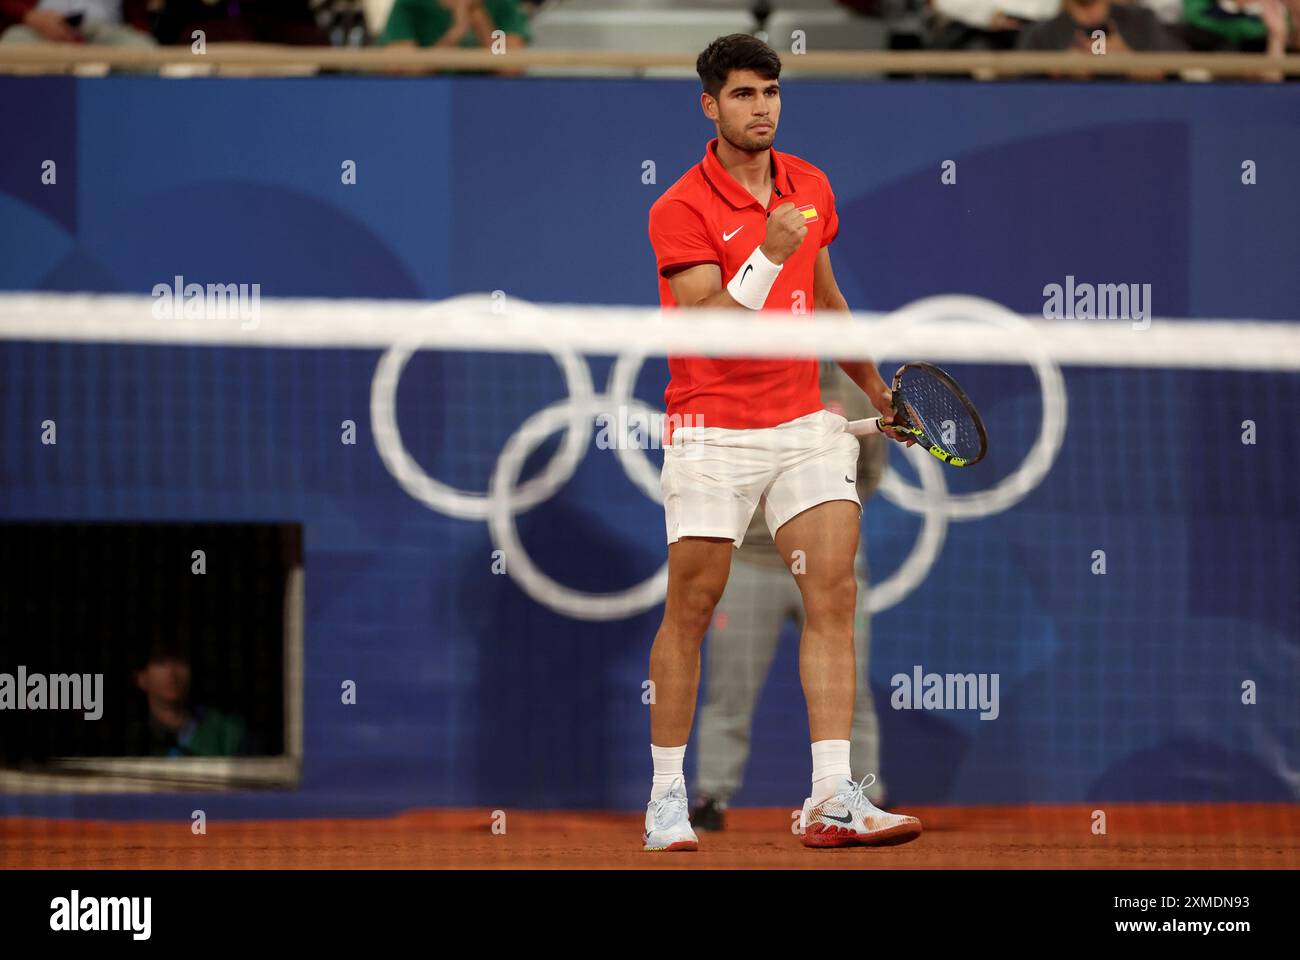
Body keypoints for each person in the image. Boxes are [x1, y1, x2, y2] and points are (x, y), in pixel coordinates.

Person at [642, 33, 922, 852]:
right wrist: (766, 254)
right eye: (741, 95)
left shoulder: (810, 185)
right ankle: (667, 796)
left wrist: (874, 388)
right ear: (710, 105)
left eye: (769, 92)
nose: (759, 107)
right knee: (691, 606)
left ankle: (832, 794)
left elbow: (828, 298)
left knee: (833, 594)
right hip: (710, 429)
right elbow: (715, 332)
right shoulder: (678, 209)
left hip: (803, 425)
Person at [691, 362, 891, 831]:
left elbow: (871, 471)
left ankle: (865, 793)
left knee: (852, 688)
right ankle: (711, 799)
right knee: (729, 690)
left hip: (832, 562)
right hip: (750, 564)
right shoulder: (747, 383)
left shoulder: (852, 391)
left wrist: (828, 521)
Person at [128, 640, 252, 757]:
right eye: (160, 662)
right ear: (140, 678)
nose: (172, 673)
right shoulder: (131, 735)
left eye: (180, 661)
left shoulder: (227, 732)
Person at [0, 1, 153, 47]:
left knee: (141, 50)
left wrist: (139, 26)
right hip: (36, 23)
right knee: (14, 45)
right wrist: (28, 15)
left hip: (106, 28)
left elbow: (139, 13)